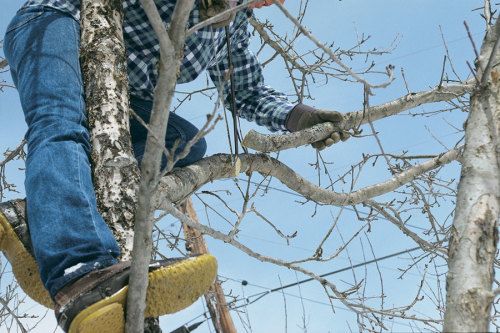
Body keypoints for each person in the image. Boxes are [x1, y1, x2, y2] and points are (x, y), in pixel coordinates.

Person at [0, 0, 349, 331]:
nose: (277, 3)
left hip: (118, 88)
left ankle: (38, 216)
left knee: (182, 140)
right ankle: (78, 272)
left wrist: (298, 118)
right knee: (60, 122)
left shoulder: (234, 23)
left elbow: (245, 91)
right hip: (57, 23)